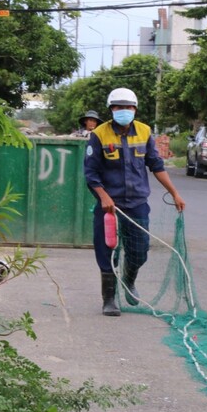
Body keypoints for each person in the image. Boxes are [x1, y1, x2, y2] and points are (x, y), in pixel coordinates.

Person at [84, 88, 186, 316]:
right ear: (111, 110)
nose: (124, 111)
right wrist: (104, 197)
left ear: (135, 109)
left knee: (140, 251)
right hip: (109, 205)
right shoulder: (99, 135)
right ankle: (109, 299)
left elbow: (156, 165)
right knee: (107, 250)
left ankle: (129, 280)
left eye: (128, 107)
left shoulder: (144, 132)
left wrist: (174, 193)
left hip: (137, 202)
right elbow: (90, 173)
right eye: (119, 107)